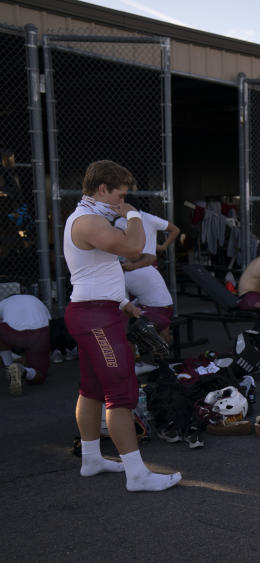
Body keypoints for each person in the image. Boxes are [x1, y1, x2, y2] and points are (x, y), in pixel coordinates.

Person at [63, 160, 180, 491]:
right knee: (121, 390)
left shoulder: (90, 217)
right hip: (95, 318)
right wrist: (132, 215)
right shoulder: (86, 221)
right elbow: (132, 247)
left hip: (98, 311)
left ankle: (91, 459)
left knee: (92, 388)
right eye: (119, 194)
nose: (121, 200)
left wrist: (122, 301)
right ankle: (138, 475)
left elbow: (99, 271)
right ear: (102, 189)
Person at [113, 208, 179, 343]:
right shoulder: (119, 222)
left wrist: (162, 247)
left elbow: (175, 230)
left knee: (136, 308)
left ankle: (142, 349)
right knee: (136, 304)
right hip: (136, 265)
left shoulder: (149, 218)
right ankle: (152, 347)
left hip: (143, 264)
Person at [0, 293, 51, 396]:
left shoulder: (3, 303)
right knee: (39, 376)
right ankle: (24, 371)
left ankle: (8, 366)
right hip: (40, 334)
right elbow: (48, 324)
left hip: (12, 334)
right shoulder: (35, 299)